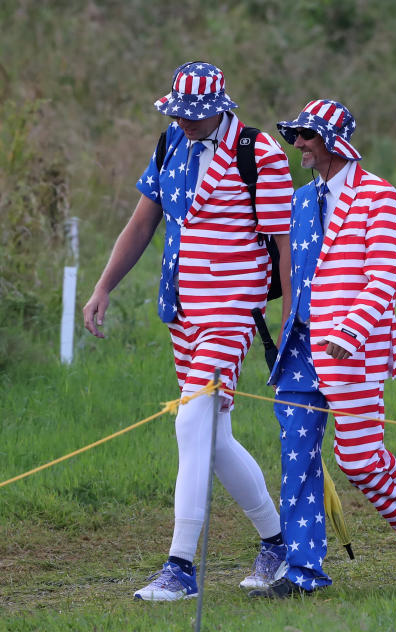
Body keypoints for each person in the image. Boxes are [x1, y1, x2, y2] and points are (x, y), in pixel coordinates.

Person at [82, 61, 293, 601]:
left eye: (196, 116)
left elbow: (285, 245)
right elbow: (142, 222)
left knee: (190, 421)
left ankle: (180, 567)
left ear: (223, 107)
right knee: (214, 439)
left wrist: (292, 319)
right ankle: (277, 542)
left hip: (232, 307)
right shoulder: (170, 145)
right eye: (179, 114)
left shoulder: (259, 154)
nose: (187, 123)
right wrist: (104, 286)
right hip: (182, 308)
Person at [253, 99, 396, 595]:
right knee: (296, 452)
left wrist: (350, 331)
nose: (298, 145)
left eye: (307, 137)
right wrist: (282, 331)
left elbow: (384, 277)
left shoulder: (378, 197)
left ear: (334, 143)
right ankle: (303, 572)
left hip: (352, 349)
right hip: (301, 349)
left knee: (359, 459)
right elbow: (291, 275)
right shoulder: (299, 201)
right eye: (295, 135)